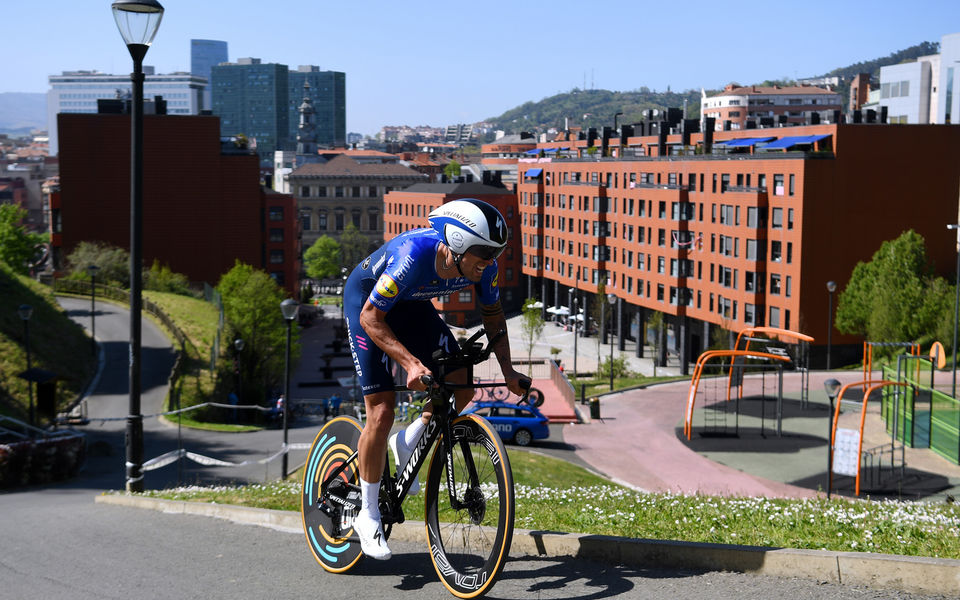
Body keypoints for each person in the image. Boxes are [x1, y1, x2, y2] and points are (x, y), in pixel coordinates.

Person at [341, 198, 528, 560]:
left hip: (410, 307)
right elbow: (371, 318)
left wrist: (508, 372)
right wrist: (411, 364)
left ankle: (409, 440)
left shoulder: (482, 267)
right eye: (484, 253)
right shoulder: (414, 254)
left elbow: (493, 316)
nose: (491, 263)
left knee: (461, 386)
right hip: (367, 305)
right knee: (381, 413)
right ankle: (368, 513)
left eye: (496, 253)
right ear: (457, 243)